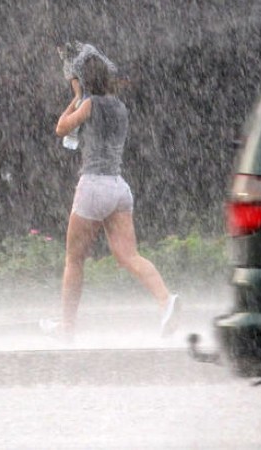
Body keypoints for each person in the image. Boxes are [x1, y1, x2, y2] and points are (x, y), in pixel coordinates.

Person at [44, 53, 179, 341]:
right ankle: (166, 301)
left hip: (93, 186)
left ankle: (67, 327)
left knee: (74, 259)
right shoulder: (120, 107)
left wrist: (76, 96)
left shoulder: (90, 104)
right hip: (119, 188)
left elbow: (61, 128)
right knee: (130, 256)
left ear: (85, 80)